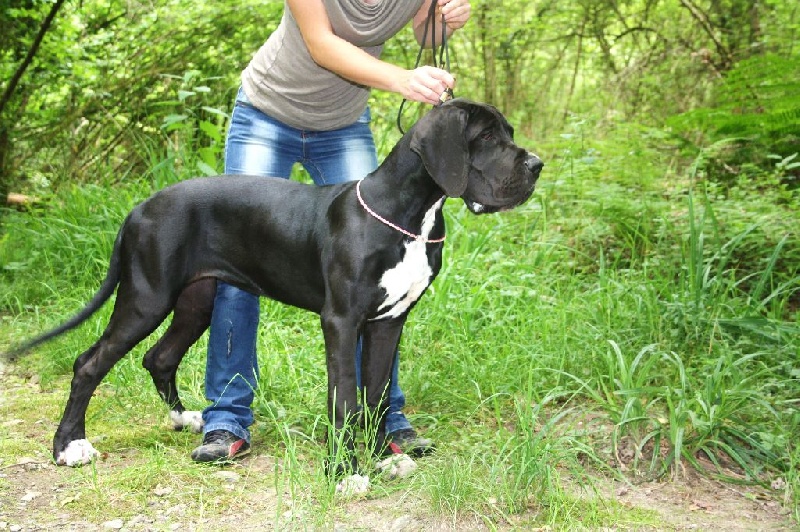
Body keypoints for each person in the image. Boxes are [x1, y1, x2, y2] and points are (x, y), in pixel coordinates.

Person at [190, 0, 472, 463]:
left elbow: (425, 33)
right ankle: (226, 418)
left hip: (342, 126)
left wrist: (442, 22)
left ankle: (385, 417)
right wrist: (402, 78)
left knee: (383, 278)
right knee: (235, 267)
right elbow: (321, 45)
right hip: (267, 114)